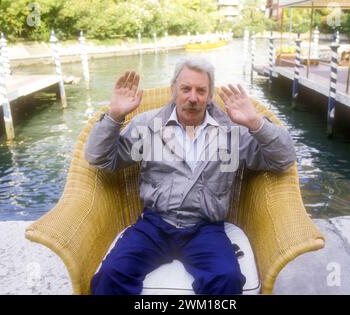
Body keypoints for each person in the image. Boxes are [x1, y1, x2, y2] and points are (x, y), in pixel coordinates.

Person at [84, 58, 296, 295]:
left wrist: (255, 122)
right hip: (154, 225)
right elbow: (99, 158)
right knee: (111, 275)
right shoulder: (148, 126)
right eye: (186, 89)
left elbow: (283, 159)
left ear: (210, 94)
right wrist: (113, 116)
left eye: (201, 90)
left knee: (227, 279)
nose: (193, 97)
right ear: (173, 89)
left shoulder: (232, 132)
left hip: (205, 228)